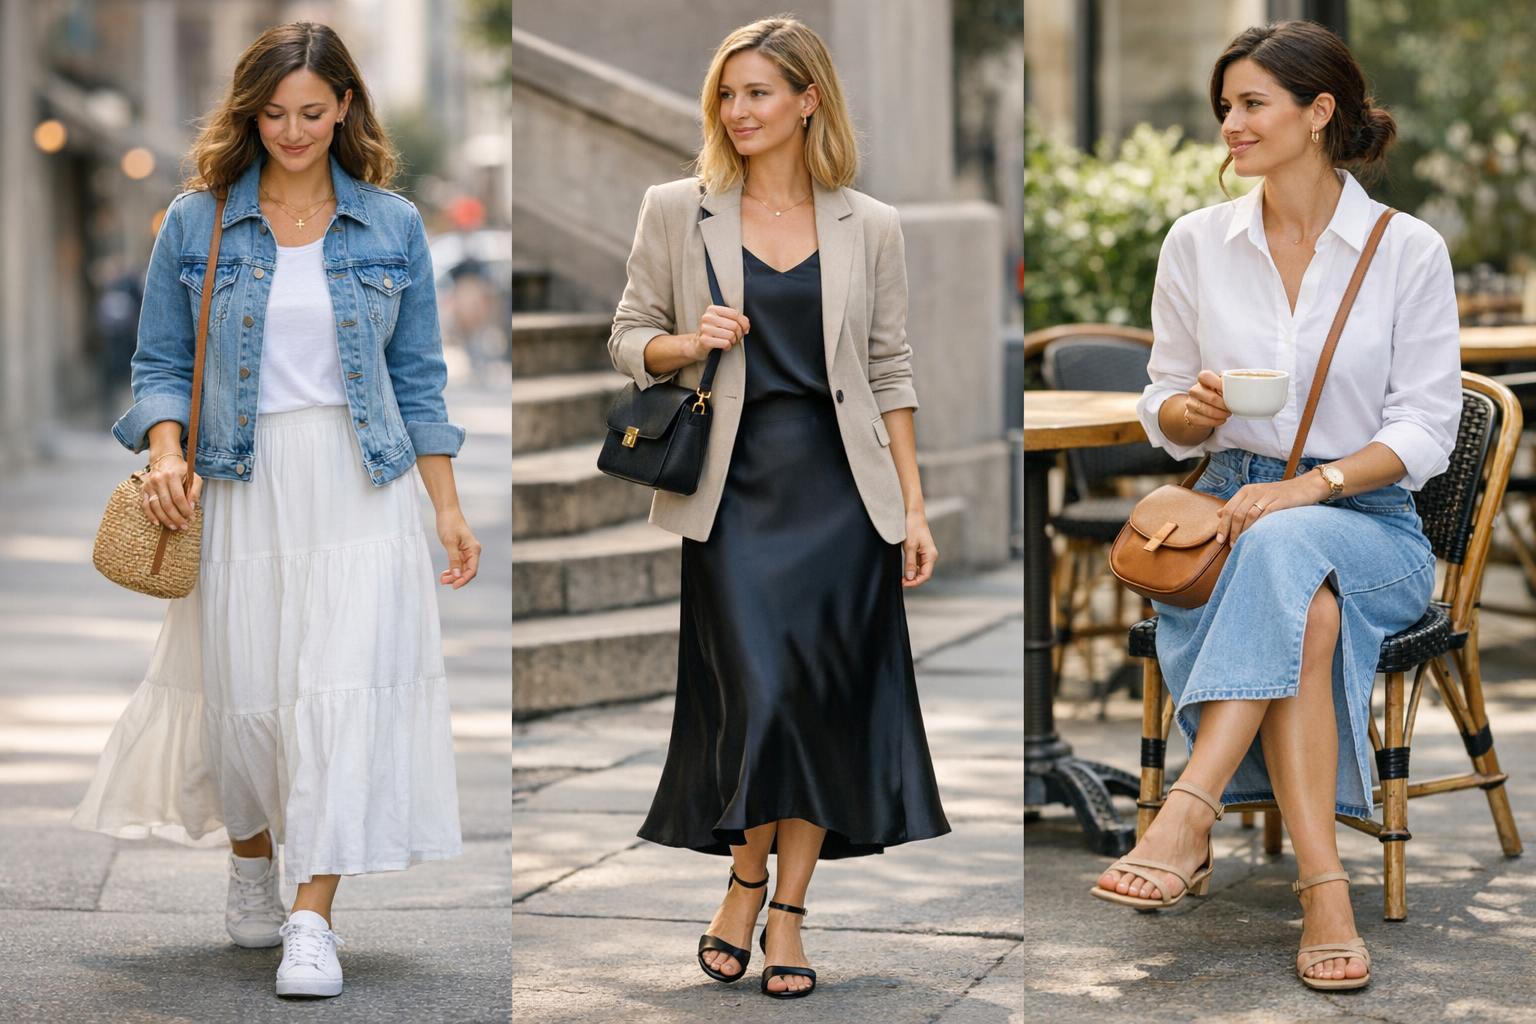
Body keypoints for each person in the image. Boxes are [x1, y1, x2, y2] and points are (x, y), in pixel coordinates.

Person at [70, 22, 480, 1000]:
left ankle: (312, 916)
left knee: (337, 695)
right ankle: (253, 859)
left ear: (344, 106)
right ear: (249, 112)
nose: (293, 131)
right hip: (239, 480)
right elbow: (163, 361)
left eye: (311, 111)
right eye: (273, 112)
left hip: (360, 482)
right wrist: (165, 451)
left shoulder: (391, 225)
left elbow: (418, 377)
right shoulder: (200, 220)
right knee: (244, 704)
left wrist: (448, 508)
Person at [1090, 21, 1462, 992]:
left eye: (1252, 103)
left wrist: (1308, 485)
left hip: (1371, 515)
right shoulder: (1199, 243)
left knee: (1295, 545)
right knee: (1312, 613)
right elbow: (1162, 402)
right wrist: (1190, 407)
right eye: (1226, 107)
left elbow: (1428, 426)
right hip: (1224, 511)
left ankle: (1189, 806)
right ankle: (1325, 894)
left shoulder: (1405, 249)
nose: (1231, 125)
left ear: (1319, 111)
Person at [609, 15, 950, 1000]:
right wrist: (686, 342)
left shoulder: (870, 223)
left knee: (816, 706)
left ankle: (787, 914)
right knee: (759, 695)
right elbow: (627, 335)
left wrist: (914, 509)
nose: (738, 110)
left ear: (808, 100)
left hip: (843, 497)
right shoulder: (678, 208)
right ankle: (744, 875)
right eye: (727, 93)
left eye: (759, 92)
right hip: (732, 496)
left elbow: (891, 371)